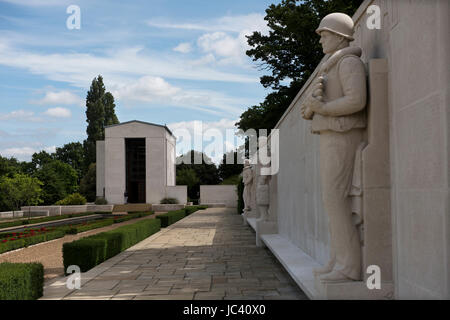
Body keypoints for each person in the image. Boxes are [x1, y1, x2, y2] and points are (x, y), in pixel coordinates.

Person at [301, 12, 367, 282]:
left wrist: (323, 108)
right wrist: (312, 109)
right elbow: (317, 107)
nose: (321, 40)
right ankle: (339, 258)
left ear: (340, 36)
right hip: (330, 135)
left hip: (343, 136)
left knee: (337, 200)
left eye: (324, 34)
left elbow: (357, 100)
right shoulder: (330, 66)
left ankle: (350, 266)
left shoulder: (349, 62)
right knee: (332, 202)